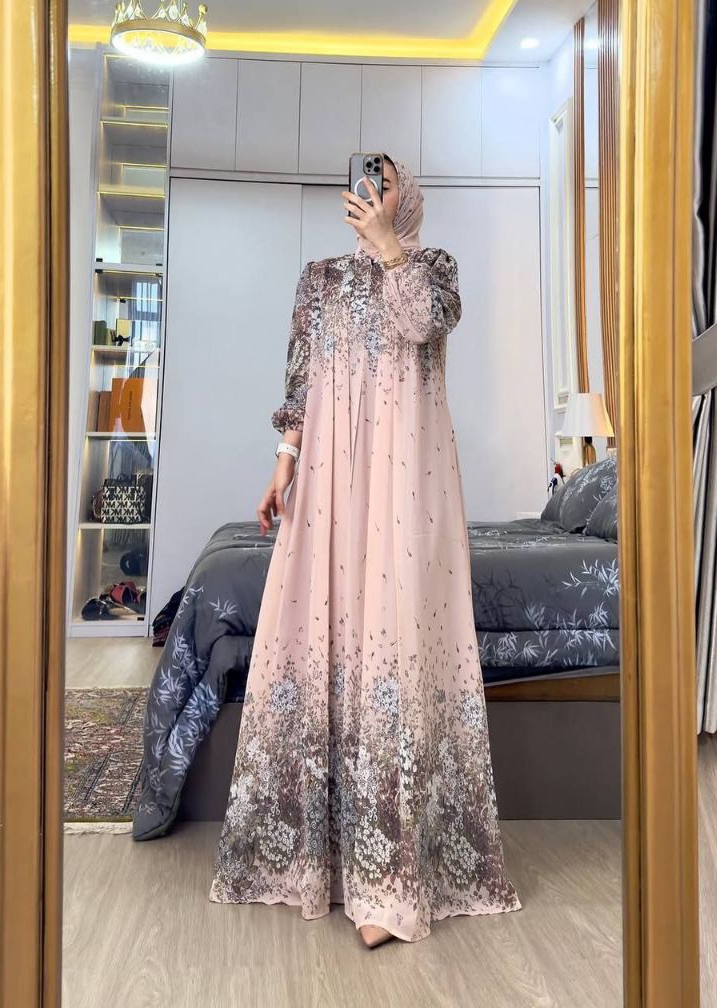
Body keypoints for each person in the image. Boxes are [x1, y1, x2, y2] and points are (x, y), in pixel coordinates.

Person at [208, 154, 522, 947]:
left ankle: (389, 882)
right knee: (319, 634)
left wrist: (389, 246)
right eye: (366, 180)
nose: (374, 192)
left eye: (388, 181)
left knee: (393, 641)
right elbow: (299, 385)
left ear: (406, 196)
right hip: (329, 479)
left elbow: (421, 324)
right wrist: (282, 466)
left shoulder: (434, 270)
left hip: (406, 482)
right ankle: (312, 856)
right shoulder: (317, 281)